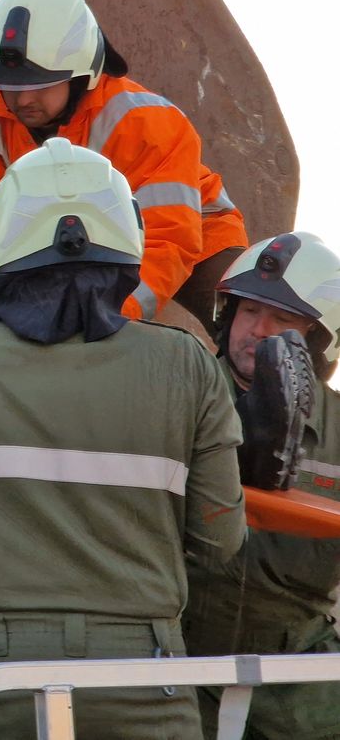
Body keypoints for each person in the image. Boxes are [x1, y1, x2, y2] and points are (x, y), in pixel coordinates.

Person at [0, 137, 246, 738]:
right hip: (146, 675)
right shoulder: (187, 365)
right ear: (126, 243)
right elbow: (219, 538)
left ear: (3, 241)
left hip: (2, 675)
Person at [0, 0, 248, 336]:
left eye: (40, 85)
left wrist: (106, 320)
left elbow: (168, 240)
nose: (22, 99)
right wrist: (32, 303)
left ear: (82, 74)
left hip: (191, 230)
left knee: (242, 326)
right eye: (8, 86)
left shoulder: (146, 122)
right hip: (63, 239)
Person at [183, 231, 340, 740]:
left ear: (320, 339)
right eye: (248, 311)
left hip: (298, 686)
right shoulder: (174, 396)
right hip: (174, 666)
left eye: (283, 320)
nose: (257, 330)